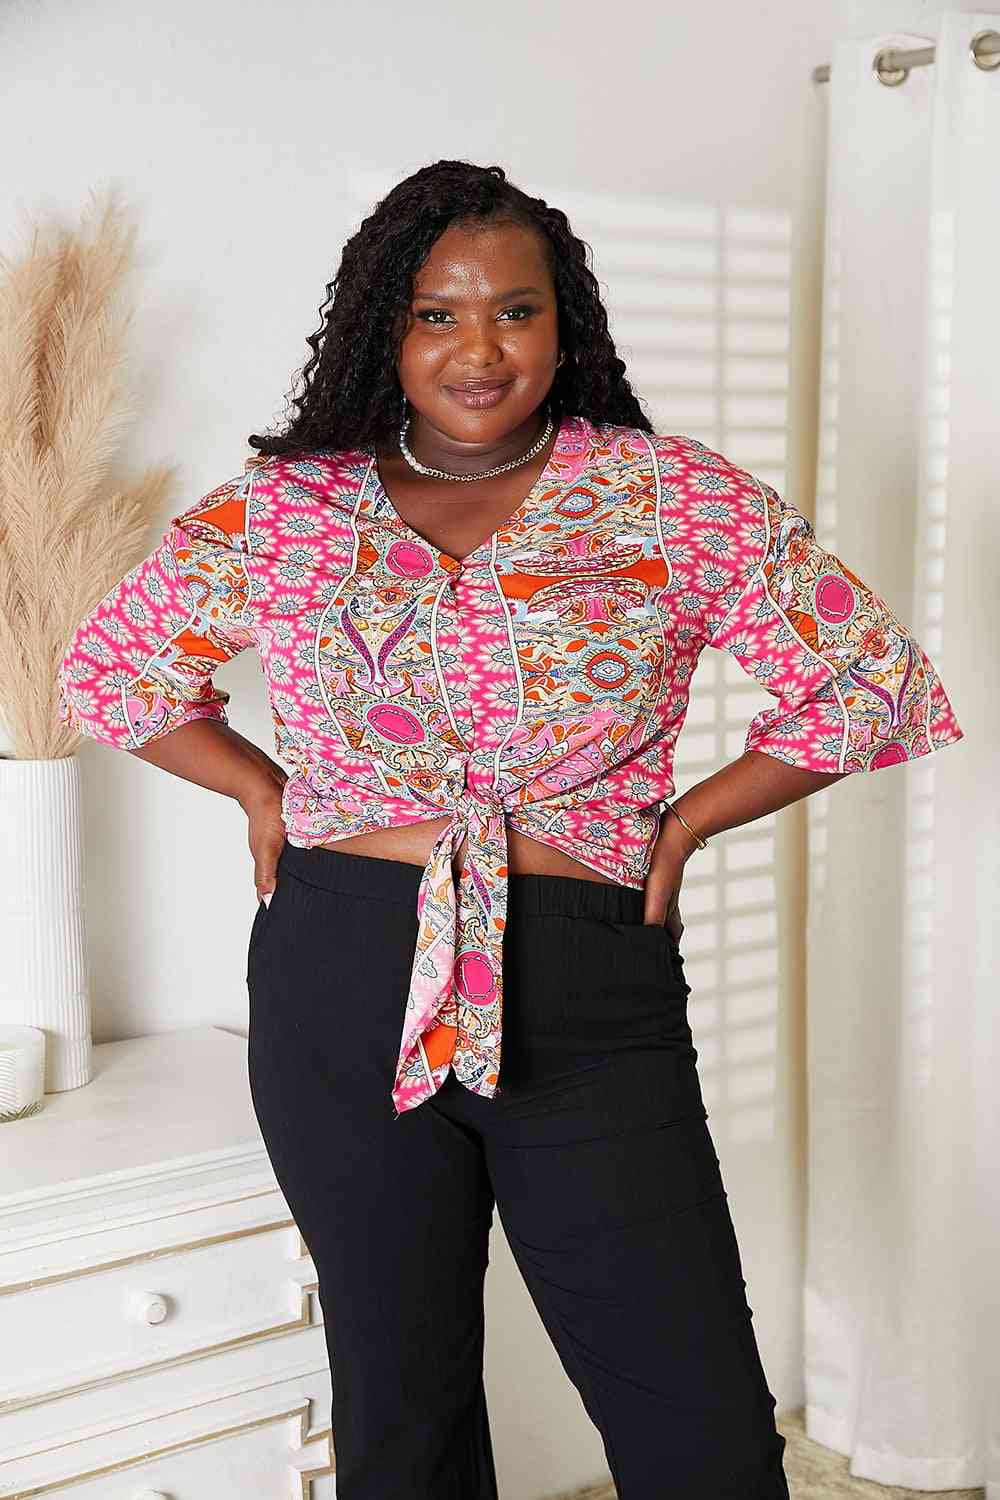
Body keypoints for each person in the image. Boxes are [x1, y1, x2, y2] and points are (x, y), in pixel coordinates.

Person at [57, 159, 964, 1499]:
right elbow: (111, 674)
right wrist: (260, 789)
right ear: (386, 327)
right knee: (400, 1413)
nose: (479, 349)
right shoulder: (290, 508)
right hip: (341, 969)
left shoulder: (672, 496)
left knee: (699, 1424)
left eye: (515, 311)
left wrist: (684, 827)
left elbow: (868, 681)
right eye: (437, 313)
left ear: (563, 323)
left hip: (585, 968)